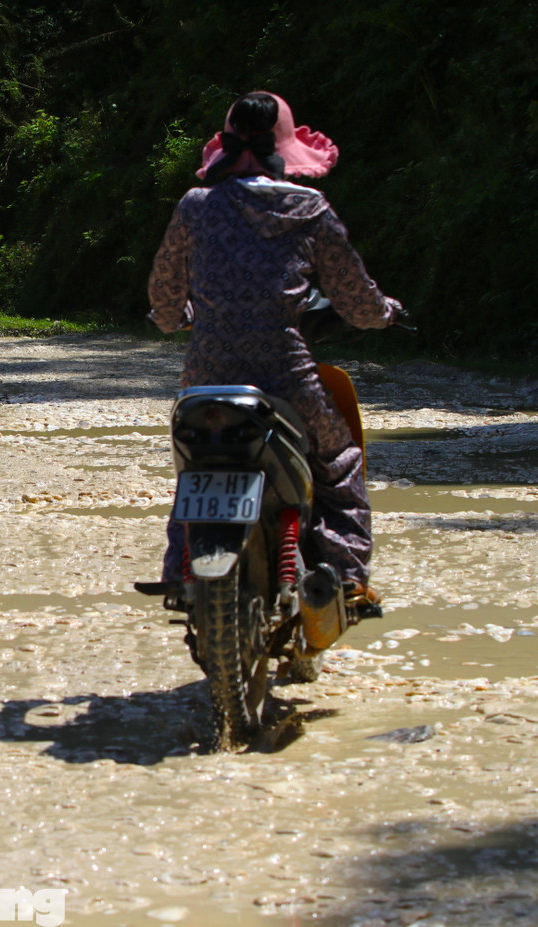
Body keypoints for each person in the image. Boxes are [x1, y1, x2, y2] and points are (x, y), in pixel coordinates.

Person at [147, 91, 405, 607]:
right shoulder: (308, 208)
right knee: (338, 462)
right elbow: (356, 298)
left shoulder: (195, 207)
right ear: (283, 148)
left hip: (208, 376)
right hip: (286, 376)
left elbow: (165, 294)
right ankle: (348, 579)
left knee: (195, 465)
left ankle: (181, 568)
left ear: (224, 146)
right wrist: (385, 314)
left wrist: (172, 319)